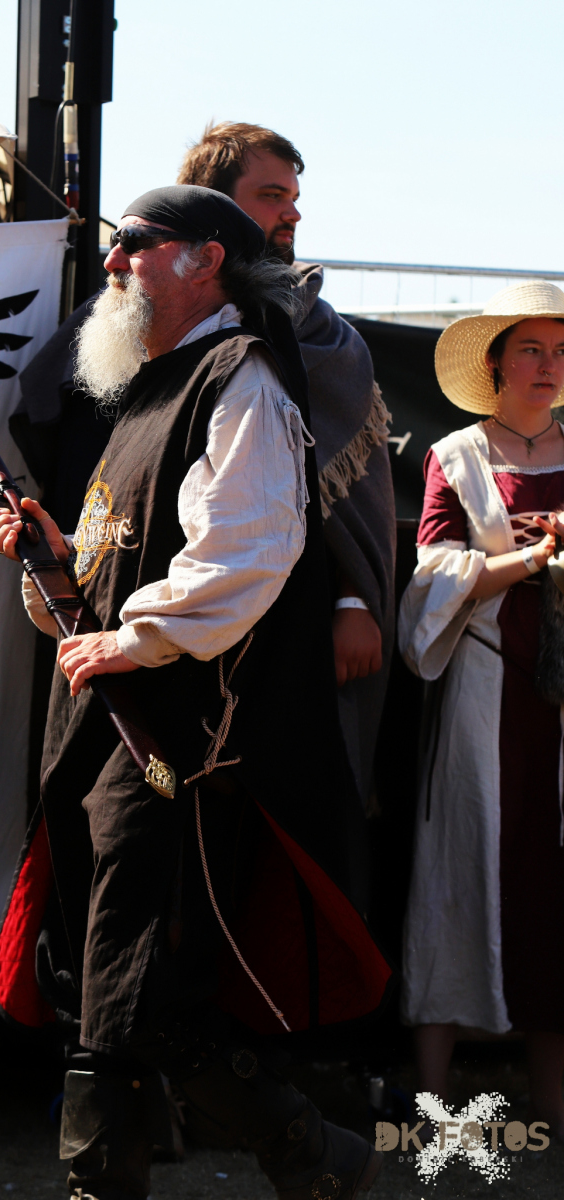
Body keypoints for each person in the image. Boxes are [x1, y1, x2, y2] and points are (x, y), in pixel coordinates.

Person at [0, 185, 390, 1200]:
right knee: (112, 988)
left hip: (178, 739)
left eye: (135, 242)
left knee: (131, 994)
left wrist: (136, 639)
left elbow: (245, 556)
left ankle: (294, 1156)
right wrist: (48, 560)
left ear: (206, 260)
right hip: (105, 729)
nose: (112, 261)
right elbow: (97, 584)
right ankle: (312, 1159)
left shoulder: (239, 378)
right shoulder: (147, 392)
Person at [13, 123, 395, 804]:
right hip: (116, 679)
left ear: (208, 256)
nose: (292, 214)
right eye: (272, 195)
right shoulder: (139, 352)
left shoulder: (249, 365)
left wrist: (351, 595)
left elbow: (254, 536)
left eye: (132, 243)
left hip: (210, 690)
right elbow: (136, 518)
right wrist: (65, 554)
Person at [398, 280, 564, 1136]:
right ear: (496, 363)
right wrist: (530, 559)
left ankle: (552, 1104)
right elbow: (432, 577)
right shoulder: (457, 456)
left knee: (554, 886)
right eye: (530, 349)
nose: (548, 365)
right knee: (458, 872)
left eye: (559, 351)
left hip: (561, 708)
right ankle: (430, 1104)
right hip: (484, 690)